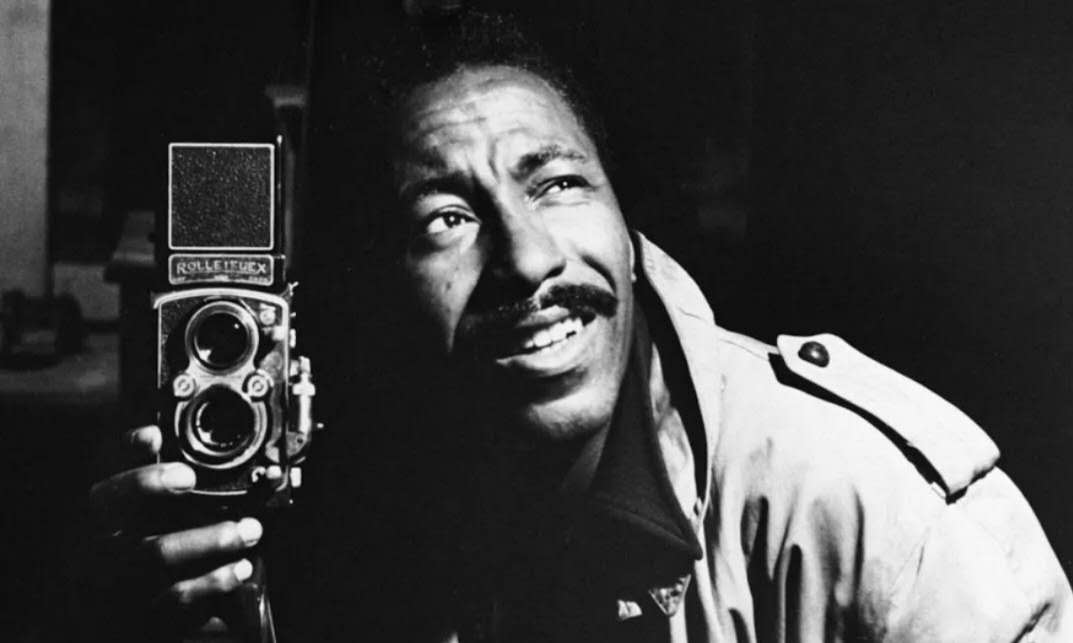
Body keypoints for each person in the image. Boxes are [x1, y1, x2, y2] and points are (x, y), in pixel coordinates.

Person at [88, 10, 1072, 642]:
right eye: (445, 219)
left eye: (557, 184)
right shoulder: (368, 505)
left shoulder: (869, 514)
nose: (525, 259)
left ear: (629, 230)